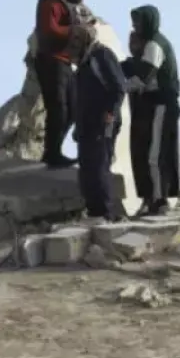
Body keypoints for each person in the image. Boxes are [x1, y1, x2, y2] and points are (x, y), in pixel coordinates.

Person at [123, 6, 180, 217]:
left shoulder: (155, 45)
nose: (135, 28)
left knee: (155, 155)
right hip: (150, 105)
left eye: (138, 23)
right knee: (145, 152)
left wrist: (116, 87)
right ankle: (150, 198)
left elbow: (144, 77)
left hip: (161, 105)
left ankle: (159, 199)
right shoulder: (147, 47)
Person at [33, 0, 92, 168]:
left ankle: (54, 149)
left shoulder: (73, 7)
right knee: (58, 108)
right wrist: (75, 31)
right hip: (50, 61)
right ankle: (52, 153)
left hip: (66, 62)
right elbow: (49, 29)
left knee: (73, 109)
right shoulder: (50, 3)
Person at [70, 25, 127, 221]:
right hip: (87, 124)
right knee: (87, 169)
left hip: (102, 122)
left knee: (99, 167)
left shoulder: (100, 56)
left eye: (76, 41)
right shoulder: (84, 61)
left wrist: (110, 112)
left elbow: (119, 87)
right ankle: (94, 212)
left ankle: (106, 213)